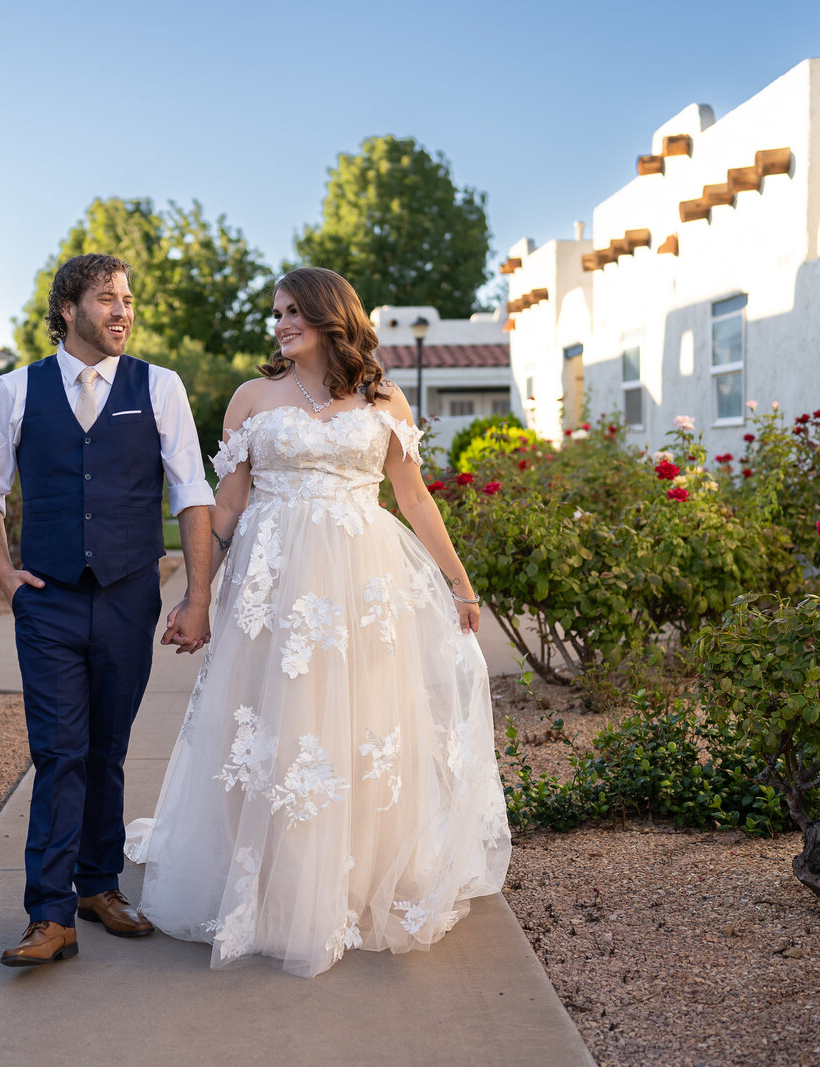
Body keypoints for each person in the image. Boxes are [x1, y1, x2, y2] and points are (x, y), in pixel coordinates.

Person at [126, 267, 511, 978]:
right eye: (276, 312)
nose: (281, 323)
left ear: (332, 316)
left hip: (362, 583)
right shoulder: (251, 398)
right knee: (269, 721)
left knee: (357, 723)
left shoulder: (383, 397)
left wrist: (459, 580)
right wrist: (193, 588)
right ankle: (266, 881)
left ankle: (351, 880)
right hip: (272, 586)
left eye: (295, 311)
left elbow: (414, 500)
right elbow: (229, 506)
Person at [0, 253, 214, 967]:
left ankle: (99, 886)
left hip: (131, 594)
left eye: (128, 298)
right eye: (108, 298)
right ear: (68, 309)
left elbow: (190, 491)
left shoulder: (159, 386)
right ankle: (49, 913)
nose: (123, 310)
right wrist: (7, 579)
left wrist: (197, 597)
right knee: (59, 751)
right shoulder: (15, 390)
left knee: (106, 749)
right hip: (47, 601)